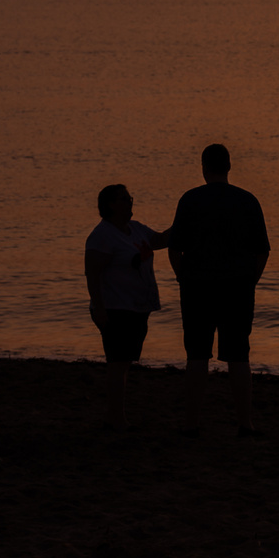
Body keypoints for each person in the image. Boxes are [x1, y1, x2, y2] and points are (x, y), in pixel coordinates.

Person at [168, 144, 271, 437]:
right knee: (239, 356)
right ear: (229, 166)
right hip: (237, 286)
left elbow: (175, 249)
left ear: (203, 167)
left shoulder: (190, 200)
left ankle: (191, 423)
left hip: (197, 286)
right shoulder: (248, 201)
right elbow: (262, 251)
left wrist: (181, 277)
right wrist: (252, 280)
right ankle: (245, 423)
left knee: (197, 355)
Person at [84, 184, 170, 430]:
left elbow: (161, 240)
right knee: (117, 362)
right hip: (115, 307)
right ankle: (115, 417)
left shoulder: (136, 229)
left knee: (124, 362)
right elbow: (92, 274)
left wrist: (185, 220)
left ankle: (116, 415)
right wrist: (99, 308)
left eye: (130, 197)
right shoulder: (102, 235)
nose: (130, 201)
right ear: (111, 204)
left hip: (138, 308)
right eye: (124, 198)